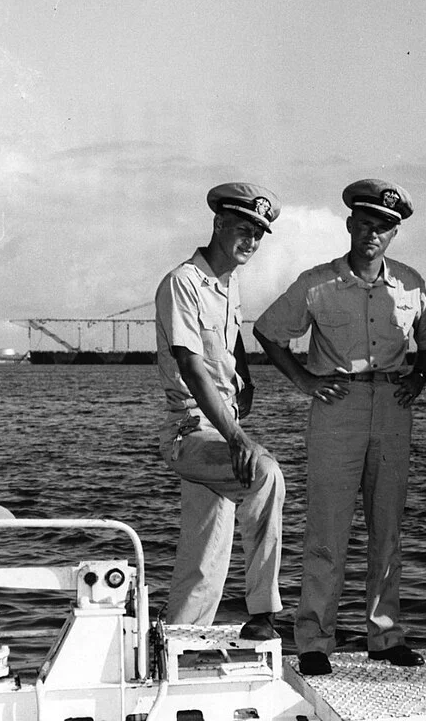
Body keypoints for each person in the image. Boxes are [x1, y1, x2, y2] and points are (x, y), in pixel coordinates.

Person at [253, 178, 426, 677]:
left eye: (383, 227)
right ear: (350, 225)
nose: (372, 234)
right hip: (337, 407)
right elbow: (268, 331)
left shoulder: (410, 284)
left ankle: (385, 635)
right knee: (327, 529)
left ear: (394, 233)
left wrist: (420, 378)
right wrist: (303, 380)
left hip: (393, 408)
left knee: (388, 529)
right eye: (364, 223)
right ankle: (315, 640)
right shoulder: (316, 284)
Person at [155, 182, 286, 640]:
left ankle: (178, 640)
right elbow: (191, 366)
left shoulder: (229, 283)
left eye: (259, 233)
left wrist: (245, 380)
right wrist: (237, 437)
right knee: (264, 473)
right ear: (218, 223)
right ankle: (263, 616)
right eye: (243, 229)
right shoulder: (183, 283)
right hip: (191, 431)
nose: (251, 241)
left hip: (220, 427)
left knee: (205, 553)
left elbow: (230, 342)